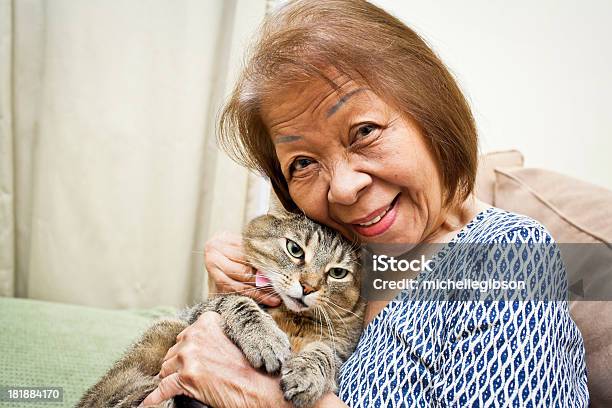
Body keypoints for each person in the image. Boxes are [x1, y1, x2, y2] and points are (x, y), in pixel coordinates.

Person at [142, 0, 588, 406]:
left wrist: (263, 399)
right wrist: (237, 298)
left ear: (427, 109)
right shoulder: (345, 255)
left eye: (364, 131)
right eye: (302, 163)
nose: (343, 188)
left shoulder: (504, 254)